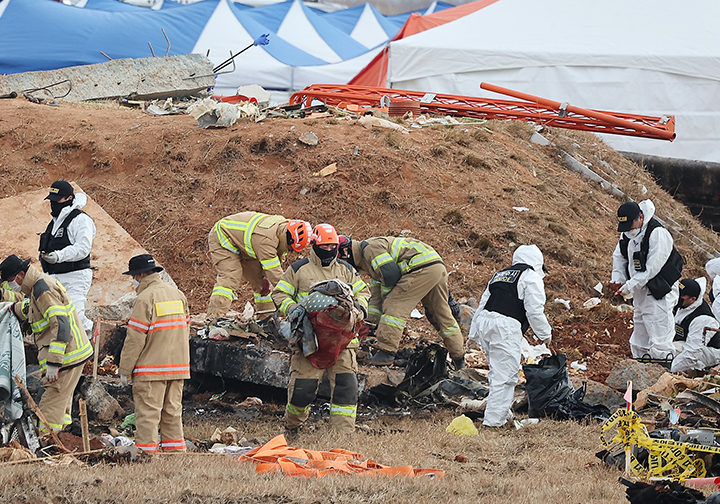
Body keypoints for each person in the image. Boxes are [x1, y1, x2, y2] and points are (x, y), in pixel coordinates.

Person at [272, 224, 370, 435]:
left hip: (343, 341)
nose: (328, 250)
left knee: (346, 386)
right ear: (314, 245)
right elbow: (280, 294)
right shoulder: (298, 269)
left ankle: (341, 436)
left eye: (332, 246)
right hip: (309, 340)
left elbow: (363, 293)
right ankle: (293, 427)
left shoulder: (346, 270)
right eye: (323, 246)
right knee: (302, 390)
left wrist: (359, 309)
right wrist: (293, 309)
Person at [337, 235, 464, 368]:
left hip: (419, 266)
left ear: (346, 252)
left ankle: (386, 351)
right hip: (435, 266)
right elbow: (375, 298)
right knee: (440, 314)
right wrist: (369, 323)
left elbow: (391, 275)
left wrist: (388, 302)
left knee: (394, 305)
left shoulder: (369, 248)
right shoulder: (370, 263)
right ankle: (459, 358)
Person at [0, 254, 93, 432]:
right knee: (61, 407)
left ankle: (48, 446)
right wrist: (11, 308)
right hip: (74, 355)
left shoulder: (42, 289)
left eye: (11, 280)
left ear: (20, 275)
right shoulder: (37, 287)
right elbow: (31, 310)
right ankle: (64, 440)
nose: (11, 285)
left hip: (66, 357)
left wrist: (54, 362)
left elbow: (61, 323)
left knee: (49, 409)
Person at [469, 244, 552, 428]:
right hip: (504, 327)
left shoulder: (500, 275)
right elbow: (534, 311)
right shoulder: (530, 277)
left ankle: (502, 413)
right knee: (505, 376)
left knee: (496, 372)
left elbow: (483, 304)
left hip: (485, 323)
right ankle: (493, 423)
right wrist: (545, 335)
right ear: (537, 263)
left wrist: (473, 334)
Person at [118, 254, 190, 453]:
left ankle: (146, 455)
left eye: (133, 276)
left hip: (151, 370)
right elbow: (186, 328)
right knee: (172, 413)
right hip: (178, 368)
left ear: (140, 275)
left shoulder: (145, 298)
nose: (133, 281)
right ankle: (175, 454)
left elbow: (135, 339)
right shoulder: (178, 294)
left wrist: (125, 369)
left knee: (148, 415)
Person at [206, 212, 312, 321]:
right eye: (290, 248)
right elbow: (276, 275)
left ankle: (266, 319)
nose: (290, 251)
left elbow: (272, 270)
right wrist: (293, 299)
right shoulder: (266, 241)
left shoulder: (283, 230)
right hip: (223, 237)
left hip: (247, 244)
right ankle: (213, 320)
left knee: (263, 282)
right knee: (230, 278)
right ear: (289, 239)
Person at [611, 200, 683, 359]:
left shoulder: (657, 233)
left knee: (659, 334)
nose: (629, 230)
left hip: (659, 290)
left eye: (631, 225)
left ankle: (662, 367)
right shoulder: (627, 234)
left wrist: (631, 285)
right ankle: (641, 362)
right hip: (640, 291)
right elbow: (619, 257)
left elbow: (652, 267)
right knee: (640, 335)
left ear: (641, 217)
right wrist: (618, 279)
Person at [39, 180, 97, 334]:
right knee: (57, 320)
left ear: (69, 198)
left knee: (75, 316)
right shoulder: (55, 222)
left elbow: (83, 248)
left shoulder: (81, 220)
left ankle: (95, 341)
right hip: (54, 278)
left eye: (57, 200)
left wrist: (58, 256)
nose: (53, 204)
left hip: (75, 277)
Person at [671, 277, 720, 373]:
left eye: (681, 298)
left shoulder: (703, 319)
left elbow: (692, 353)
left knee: (672, 350)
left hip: (711, 351)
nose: (676, 299)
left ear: (693, 299)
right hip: (685, 341)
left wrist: (671, 370)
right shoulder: (683, 304)